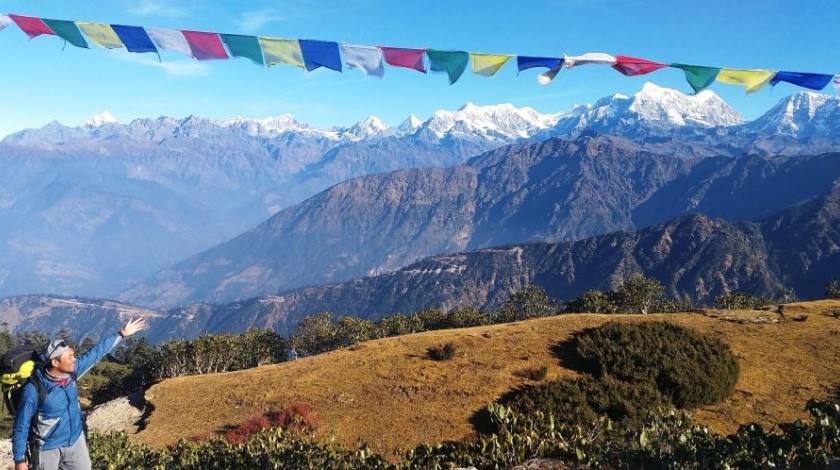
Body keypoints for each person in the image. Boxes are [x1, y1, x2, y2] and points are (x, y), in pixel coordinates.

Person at [12, 318, 147, 470]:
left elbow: (97, 352)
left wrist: (122, 334)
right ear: (55, 363)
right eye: (69, 357)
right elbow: (21, 426)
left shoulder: (73, 373)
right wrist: (19, 460)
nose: (74, 359)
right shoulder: (34, 389)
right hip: (47, 448)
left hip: (75, 442)